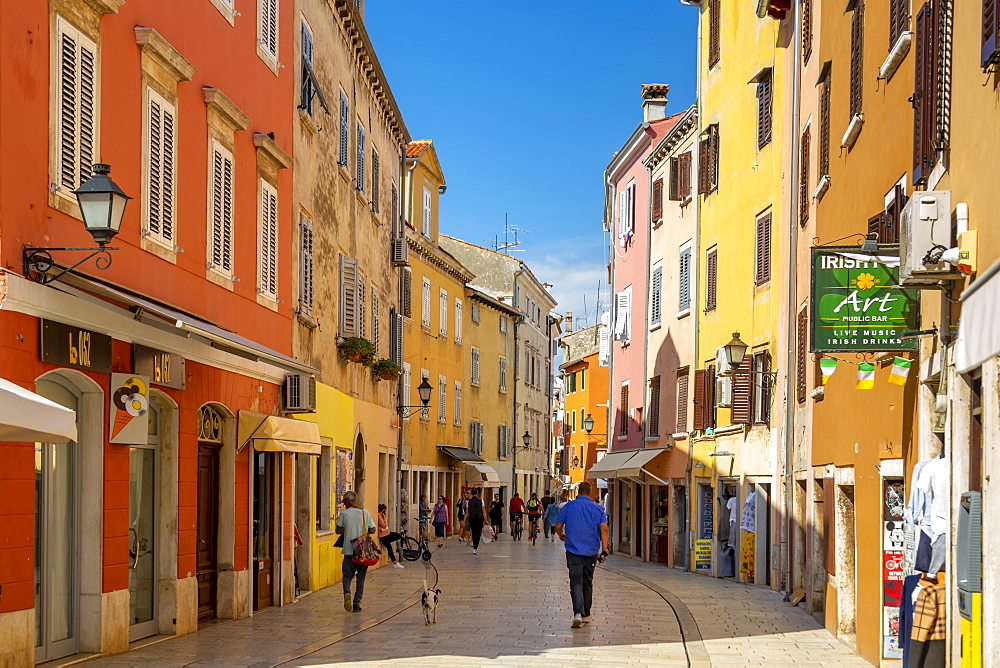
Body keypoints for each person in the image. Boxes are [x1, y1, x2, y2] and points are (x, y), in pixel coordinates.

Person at [555, 481, 609, 628]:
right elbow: (604, 529)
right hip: (591, 551)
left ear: (578, 491)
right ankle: (586, 615)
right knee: (587, 582)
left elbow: (558, 526)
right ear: (590, 492)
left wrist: (561, 535)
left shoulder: (569, 506)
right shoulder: (598, 509)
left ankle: (577, 613)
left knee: (575, 582)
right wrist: (604, 549)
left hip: (573, 550)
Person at [335, 490, 377, 612]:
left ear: (347, 501)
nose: (343, 504)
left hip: (349, 551)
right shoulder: (365, 513)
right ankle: (356, 603)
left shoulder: (344, 514)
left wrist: (347, 529)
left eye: (344, 501)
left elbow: (338, 531)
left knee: (347, 576)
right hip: (363, 552)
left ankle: (347, 592)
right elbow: (373, 530)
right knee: (361, 578)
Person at [377, 504, 404, 569]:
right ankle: (395, 562)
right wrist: (385, 518)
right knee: (389, 547)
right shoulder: (379, 515)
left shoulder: (382, 516)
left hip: (386, 533)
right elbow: (384, 525)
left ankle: (386, 542)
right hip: (382, 535)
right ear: (383, 510)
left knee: (398, 536)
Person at [466, 488, 487, 555]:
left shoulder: (468, 502)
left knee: (473, 531)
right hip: (479, 519)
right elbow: (484, 511)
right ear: (477, 493)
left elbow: (467, 512)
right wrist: (486, 520)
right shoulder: (481, 501)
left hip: (472, 519)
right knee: (478, 533)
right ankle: (475, 548)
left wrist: (464, 521)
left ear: (471, 494)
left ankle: (474, 545)